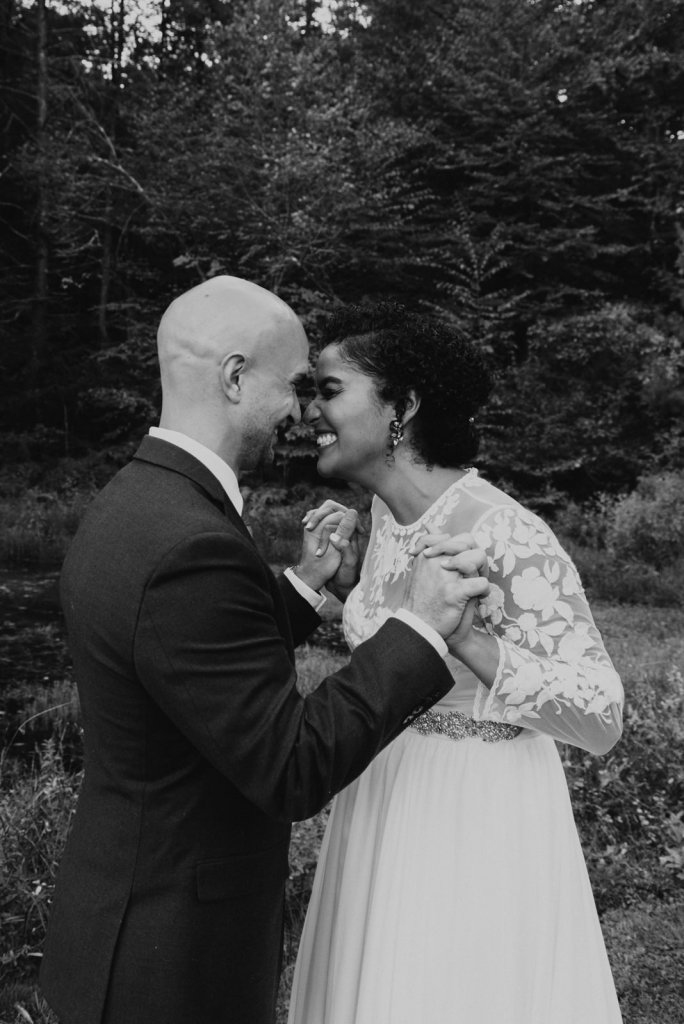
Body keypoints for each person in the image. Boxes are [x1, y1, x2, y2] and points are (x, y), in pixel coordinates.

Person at [38, 278, 491, 1024]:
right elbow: (290, 766)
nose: (302, 411)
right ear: (236, 376)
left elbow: (187, 662)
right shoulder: (192, 542)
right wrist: (420, 625)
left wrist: (305, 587)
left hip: (121, 918)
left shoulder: (134, 501)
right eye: (294, 385)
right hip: (173, 954)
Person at [288, 302, 625, 1024]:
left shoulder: (505, 533)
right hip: (380, 795)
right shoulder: (383, 517)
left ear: (402, 407)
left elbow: (601, 714)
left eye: (330, 388)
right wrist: (345, 590)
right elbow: (397, 633)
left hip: (471, 819)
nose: (309, 408)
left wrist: (466, 638)